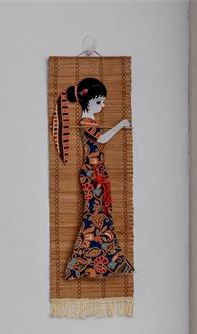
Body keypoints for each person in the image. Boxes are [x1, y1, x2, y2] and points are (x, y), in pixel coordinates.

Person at [52, 77, 134, 280]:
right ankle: (79, 265)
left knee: (102, 216)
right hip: (91, 172)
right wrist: (121, 124)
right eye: (99, 102)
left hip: (98, 171)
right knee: (94, 216)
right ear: (86, 101)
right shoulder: (85, 122)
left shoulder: (91, 121)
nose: (103, 105)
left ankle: (108, 261)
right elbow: (102, 138)